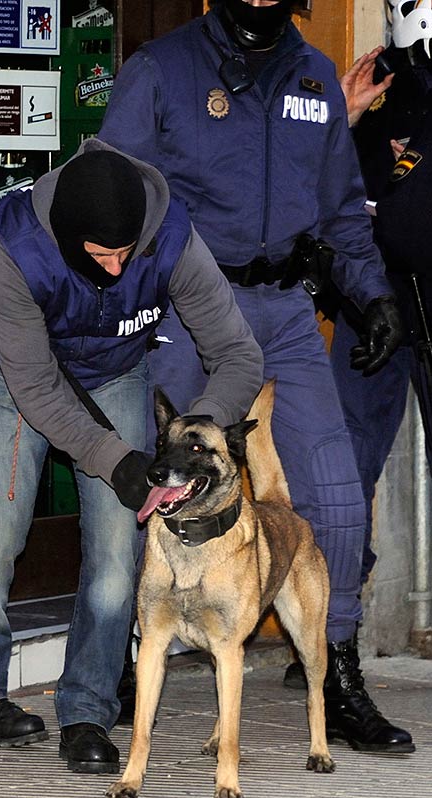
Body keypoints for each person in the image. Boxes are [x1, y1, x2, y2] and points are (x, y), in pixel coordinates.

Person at [98, 0, 414, 752]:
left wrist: (372, 296)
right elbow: (111, 194)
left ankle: (332, 672)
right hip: (192, 302)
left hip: (284, 313)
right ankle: (114, 659)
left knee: (336, 495)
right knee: (150, 483)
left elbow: (340, 213)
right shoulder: (161, 71)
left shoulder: (312, 77)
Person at [0, 139, 264, 774]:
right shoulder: (11, 248)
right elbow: (36, 389)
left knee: (119, 554)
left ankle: (88, 708)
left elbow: (237, 353)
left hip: (115, 372)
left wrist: (197, 440)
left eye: (127, 254)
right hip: (12, 377)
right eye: (99, 255)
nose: (117, 270)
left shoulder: (169, 234)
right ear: (65, 238)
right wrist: (114, 459)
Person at [330, 1, 432, 597]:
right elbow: (318, 179)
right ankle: (338, 622)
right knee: (348, 460)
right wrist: (338, 122)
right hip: (369, 294)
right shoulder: (372, 74)